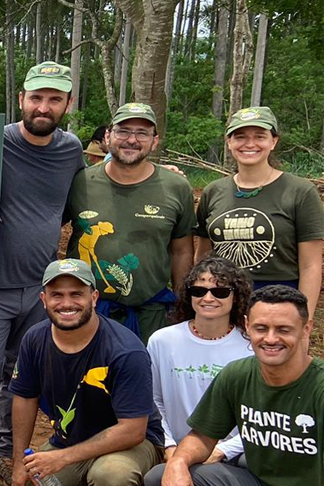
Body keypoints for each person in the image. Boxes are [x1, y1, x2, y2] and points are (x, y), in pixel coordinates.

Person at [0, 61, 85, 486]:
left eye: (54, 99)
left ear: (67, 104)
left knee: (22, 377)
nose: (43, 107)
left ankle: (6, 453)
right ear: (21, 99)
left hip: (43, 290)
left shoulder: (72, 151)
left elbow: (89, 194)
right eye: (36, 97)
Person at [146, 286, 324, 486]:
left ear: (306, 329)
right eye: (261, 328)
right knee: (160, 477)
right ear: (247, 327)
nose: (271, 338)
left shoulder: (319, 389)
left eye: (284, 329)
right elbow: (203, 435)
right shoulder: (238, 375)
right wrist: (179, 462)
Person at [10, 259, 164, 486]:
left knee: (111, 476)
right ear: (43, 300)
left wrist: (62, 458)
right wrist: (18, 460)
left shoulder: (125, 350)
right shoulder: (35, 339)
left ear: (94, 297)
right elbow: (24, 397)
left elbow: (133, 430)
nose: (67, 303)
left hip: (130, 444)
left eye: (76, 294)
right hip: (68, 439)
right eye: (57, 295)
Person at [65, 102, 196, 344]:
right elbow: (50, 229)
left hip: (150, 313)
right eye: (123, 131)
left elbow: (182, 249)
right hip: (88, 311)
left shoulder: (176, 187)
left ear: (154, 141)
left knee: (146, 378)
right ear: (108, 136)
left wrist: (182, 304)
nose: (131, 140)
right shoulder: (81, 182)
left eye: (142, 133)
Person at [196, 106, 324, 315]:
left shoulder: (299, 191)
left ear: (273, 141)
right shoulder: (214, 191)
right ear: (229, 142)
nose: (250, 144)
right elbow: (202, 256)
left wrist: (304, 319)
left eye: (259, 136)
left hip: (280, 299)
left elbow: (311, 266)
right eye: (240, 137)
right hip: (222, 298)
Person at [149, 257, 252, 463]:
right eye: (199, 291)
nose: (208, 298)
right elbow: (153, 401)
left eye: (220, 292)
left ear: (236, 296)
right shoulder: (162, 341)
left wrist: (222, 451)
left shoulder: (251, 348)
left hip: (230, 454)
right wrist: (169, 446)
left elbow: (258, 414)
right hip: (172, 449)